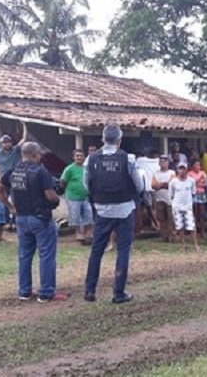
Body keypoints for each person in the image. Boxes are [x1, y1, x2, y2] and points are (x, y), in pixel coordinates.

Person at [0, 142, 65, 303]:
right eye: (39, 154)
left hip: (21, 217)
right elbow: (50, 195)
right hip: (40, 218)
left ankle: (24, 291)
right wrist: (58, 198)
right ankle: (46, 292)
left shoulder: (13, 171)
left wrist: (10, 207)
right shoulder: (40, 171)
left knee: (24, 256)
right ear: (35, 155)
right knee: (46, 255)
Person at [82, 124, 143, 304]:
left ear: (102, 139)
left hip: (101, 209)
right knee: (123, 250)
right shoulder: (128, 159)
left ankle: (90, 290)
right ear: (119, 140)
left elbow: (87, 185)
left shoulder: (90, 159)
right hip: (125, 209)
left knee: (96, 250)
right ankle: (118, 292)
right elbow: (138, 185)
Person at [61, 149, 93, 245]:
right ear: (74, 157)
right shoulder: (69, 169)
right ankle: (78, 233)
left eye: (81, 156)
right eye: (77, 156)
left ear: (84, 157)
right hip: (72, 196)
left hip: (85, 196)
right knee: (75, 216)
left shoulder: (86, 168)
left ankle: (88, 233)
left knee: (88, 214)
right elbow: (63, 182)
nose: (79, 157)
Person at [170, 162, 200, 251]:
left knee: (192, 226)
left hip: (188, 207)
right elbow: (171, 195)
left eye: (183, 168)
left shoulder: (191, 181)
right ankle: (183, 245)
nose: (182, 170)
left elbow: (193, 193)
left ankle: (196, 245)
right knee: (180, 227)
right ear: (177, 170)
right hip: (177, 207)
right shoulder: (173, 182)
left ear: (186, 170)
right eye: (180, 168)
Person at [151, 155, 176, 243]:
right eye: (161, 161)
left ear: (168, 163)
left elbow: (171, 184)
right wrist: (163, 184)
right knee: (161, 218)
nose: (163, 162)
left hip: (170, 199)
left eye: (165, 161)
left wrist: (160, 185)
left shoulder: (172, 172)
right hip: (159, 199)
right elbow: (153, 185)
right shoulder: (155, 173)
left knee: (171, 218)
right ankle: (164, 237)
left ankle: (172, 236)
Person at [136, 148, 160, 231]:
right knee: (151, 207)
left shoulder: (141, 161)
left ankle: (154, 224)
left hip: (151, 187)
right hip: (149, 187)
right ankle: (154, 224)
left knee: (152, 207)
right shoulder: (157, 161)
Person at [187, 160, 207, 236]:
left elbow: (205, 184)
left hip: (201, 194)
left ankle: (202, 230)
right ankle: (194, 230)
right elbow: (191, 184)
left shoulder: (203, 173)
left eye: (199, 165)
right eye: (196, 165)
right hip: (193, 194)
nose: (198, 166)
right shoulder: (189, 174)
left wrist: (197, 183)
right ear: (193, 166)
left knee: (201, 213)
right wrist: (199, 180)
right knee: (194, 212)